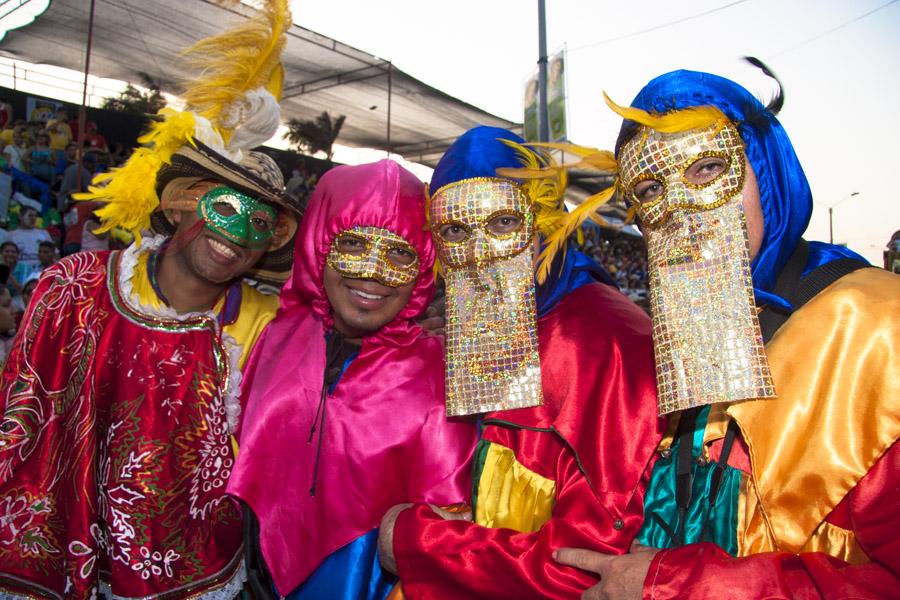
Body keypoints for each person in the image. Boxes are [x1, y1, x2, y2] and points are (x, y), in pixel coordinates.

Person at [551, 68, 900, 599]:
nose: (682, 212)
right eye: (650, 189)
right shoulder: (691, 336)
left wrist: (681, 587)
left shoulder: (880, 329)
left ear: (766, 164)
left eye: (708, 168)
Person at [0, 1, 298, 597]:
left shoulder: (269, 324)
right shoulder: (74, 289)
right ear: (180, 204)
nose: (236, 236)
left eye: (258, 225)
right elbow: (20, 424)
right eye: (223, 208)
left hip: (197, 571)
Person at [378, 127, 663, 599]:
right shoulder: (506, 320)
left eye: (504, 223)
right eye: (455, 230)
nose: (479, 253)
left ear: (544, 226)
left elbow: (589, 568)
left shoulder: (607, 345)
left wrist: (413, 539)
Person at [227, 159, 476, 600]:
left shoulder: (438, 375)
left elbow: (442, 533)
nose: (374, 272)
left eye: (400, 252)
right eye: (354, 244)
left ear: (422, 267)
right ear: (320, 245)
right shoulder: (278, 334)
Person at [8, 206, 52, 274]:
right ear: (20, 216)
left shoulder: (43, 233)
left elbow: (54, 254)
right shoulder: (11, 235)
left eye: (35, 216)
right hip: (19, 273)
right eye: (30, 215)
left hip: (40, 272)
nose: (33, 218)